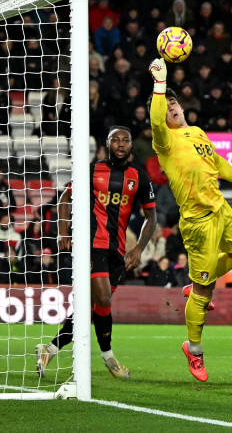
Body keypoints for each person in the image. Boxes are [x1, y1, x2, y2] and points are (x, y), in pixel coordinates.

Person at [147, 58, 232, 382]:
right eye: (166, 106)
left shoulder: (196, 132)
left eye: (174, 103)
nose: (172, 108)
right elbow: (155, 121)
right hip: (197, 220)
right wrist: (160, 86)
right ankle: (194, 350)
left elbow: (216, 160)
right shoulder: (164, 141)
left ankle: (195, 284)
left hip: (221, 207)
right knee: (205, 292)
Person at [36, 127, 157, 379]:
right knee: (102, 299)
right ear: (107, 143)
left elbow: (152, 216)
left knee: (91, 307)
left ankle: (50, 348)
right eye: (116, 139)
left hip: (119, 250)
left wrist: (139, 247)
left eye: (126, 140)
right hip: (91, 243)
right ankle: (108, 356)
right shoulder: (91, 170)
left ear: (131, 146)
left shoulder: (140, 177)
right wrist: (63, 232)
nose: (121, 144)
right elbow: (65, 199)